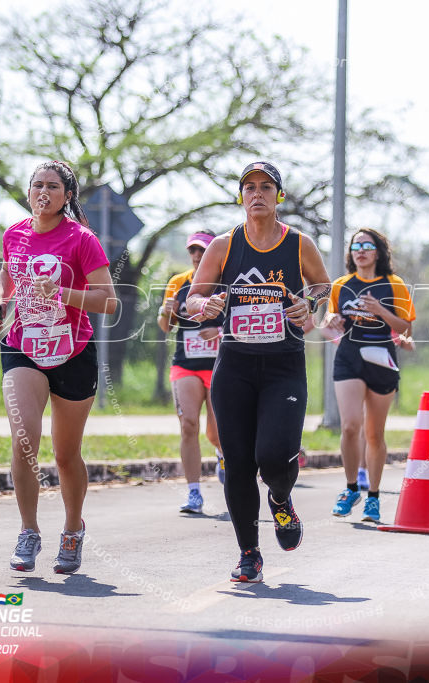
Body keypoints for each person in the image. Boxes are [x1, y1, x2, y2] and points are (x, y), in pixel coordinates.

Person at [187, 161, 331, 583]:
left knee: (272, 455)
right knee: (237, 462)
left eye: (266, 187)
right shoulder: (223, 245)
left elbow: (323, 285)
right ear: (241, 196)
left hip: (284, 364)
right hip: (235, 365)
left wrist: (311, 303)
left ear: (278, 196)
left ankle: (282, 500)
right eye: (248, 187)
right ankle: (249, 552)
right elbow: (193, 297)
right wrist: (204, 306)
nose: (257, 194)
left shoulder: (298, 243)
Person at [0, 160, 116, 573]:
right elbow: (8, 278)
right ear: (29, 192)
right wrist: (1, 305)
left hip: (72, 351)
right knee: (24, 439)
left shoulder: (82, 240)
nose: (43, 192)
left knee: (65, 455)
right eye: (37, 185)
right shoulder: (14, 234)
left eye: (53, 186)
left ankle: (73, 529)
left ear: (67, 197)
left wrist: (62, 292)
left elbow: (108, 301)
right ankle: (28, 531)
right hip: (22, 346)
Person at [322, 229, 415, 523]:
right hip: (349, 357)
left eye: (367, 246)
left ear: (378, 252)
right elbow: (328, 319)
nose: (360, 250)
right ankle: (351, 488)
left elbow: (405, 329)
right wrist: (331, 319)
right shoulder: (341, 285)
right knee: (350, 426)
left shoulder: (393, 285)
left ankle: (373, 497)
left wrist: (380, 311)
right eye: (356, 246)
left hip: (381, 361)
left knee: (374, 433)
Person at [157, 230, 225, 513]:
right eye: (193, 251)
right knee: (188, 426)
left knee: (217, 431)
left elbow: (241, 323)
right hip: (185, 363)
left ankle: (223, 455)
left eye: (203, 251)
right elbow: (165, 327)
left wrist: (219, 331)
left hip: (221, 365)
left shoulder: (226, 282)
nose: (197, 256)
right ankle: (194, 493)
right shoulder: (178, 283)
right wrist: (165, 311)